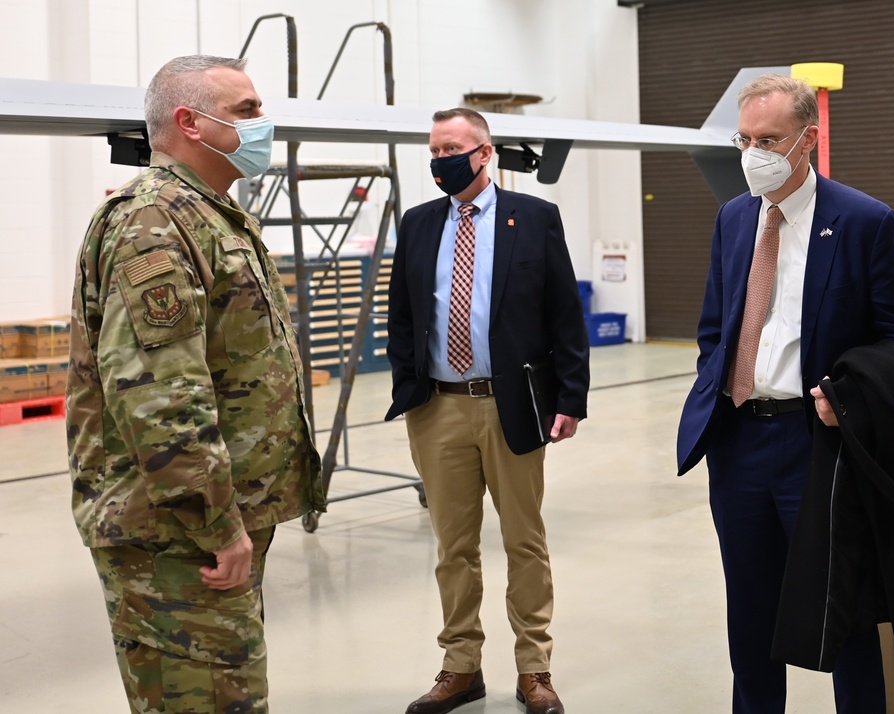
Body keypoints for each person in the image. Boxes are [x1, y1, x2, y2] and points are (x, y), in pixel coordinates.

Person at [66, 55, 325, 714]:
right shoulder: (155, 220)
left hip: (204, 529)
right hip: (176, 540)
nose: (264, 125)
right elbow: (159, 394)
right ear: (190, 122)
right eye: (247, 112)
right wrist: (214, 523)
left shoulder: (208, 214)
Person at [675, 73, 894, 714]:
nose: (753, 153)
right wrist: (720, 383)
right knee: (750, 611)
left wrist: (851, 399)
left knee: (845, 610)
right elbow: (714, 328)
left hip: (822, 445)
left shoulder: (865, 222)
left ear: (808, 139)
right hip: (740, 443)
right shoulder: (733, 218)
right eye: (745, 138)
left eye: (770, 139)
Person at [385, 107, 590, 714]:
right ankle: (460, 666)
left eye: (451, 147)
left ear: (484, 152)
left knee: (525, 543)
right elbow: (400, 315)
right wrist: (407, 386)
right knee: (454, 547)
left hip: (512, 405)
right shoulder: (419, 224)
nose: (439, 159)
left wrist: (570, 398)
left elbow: (564, 315)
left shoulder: (534, 219)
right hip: (438, 408)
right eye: (434, 149)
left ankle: (535, 669)